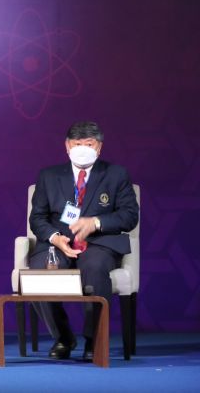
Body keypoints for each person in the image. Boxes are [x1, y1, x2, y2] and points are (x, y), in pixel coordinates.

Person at [28, 121, 139, 361]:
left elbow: (130, 216)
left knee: (95, 267)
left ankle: (94, 339)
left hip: (99, 243)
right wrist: (55, 238)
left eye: (89, 144)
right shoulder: (49, 176)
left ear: (99, 147)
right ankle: (63, 337)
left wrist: (95, 222)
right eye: (77, 144)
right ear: (67, 146)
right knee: (40, 272)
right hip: (58, 243)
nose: (82, 149)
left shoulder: (116, 174)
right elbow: (37, 218)